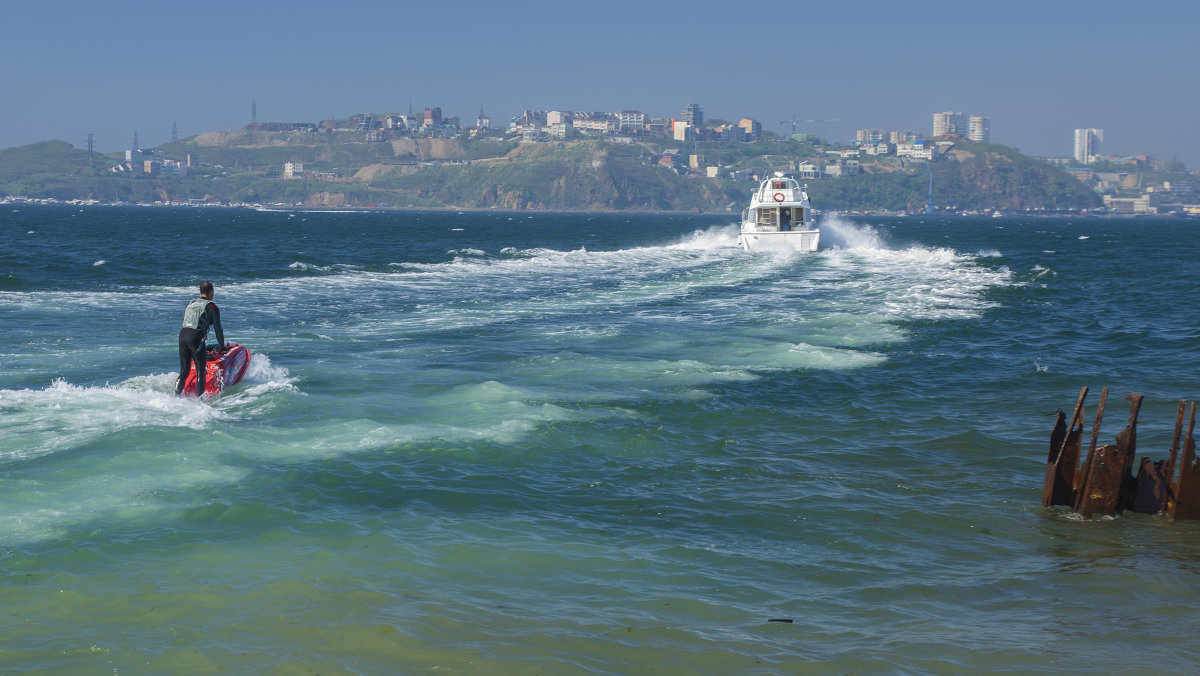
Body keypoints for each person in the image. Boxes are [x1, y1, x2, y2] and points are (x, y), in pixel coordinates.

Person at [175, 281, 226, 397]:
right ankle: (199, 402)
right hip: (196, 338)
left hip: (182, 336)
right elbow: (218, 331)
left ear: (200, 292)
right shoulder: (212, 306)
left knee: (184, 371)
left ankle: (176, 397)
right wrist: (222, 348)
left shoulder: (190, 303)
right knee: (200, 372)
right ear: (211, 292)